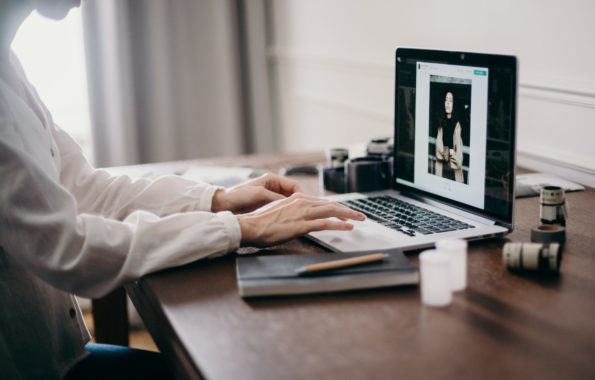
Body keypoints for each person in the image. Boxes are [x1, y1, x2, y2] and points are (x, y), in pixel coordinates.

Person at [0, 1, 365, 379]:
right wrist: (240, 228)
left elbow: (85, 188)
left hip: (64, 356)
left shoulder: (9, 64)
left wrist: (216, 200)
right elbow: (68, 249)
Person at [434, 91, 464, 182]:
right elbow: (438, 151)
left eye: (450, 100)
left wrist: (447, 153)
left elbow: (458, 157)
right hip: (441, 169)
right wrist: (449, 152)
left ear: (454, 104)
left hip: (453, 171)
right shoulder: (440, 123)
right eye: (446, 100)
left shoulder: (457, 124)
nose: (447, 103)